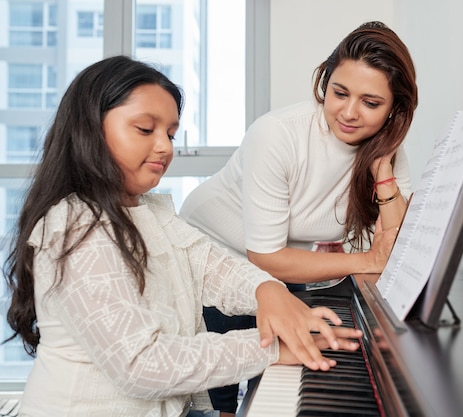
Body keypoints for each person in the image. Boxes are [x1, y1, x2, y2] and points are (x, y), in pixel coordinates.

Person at [1, 55, 362, 417]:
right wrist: (270, 347)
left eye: (171, 133)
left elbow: (212, 268)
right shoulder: (74, 226)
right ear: (89, 130)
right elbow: (142, 365)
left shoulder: (150, 212)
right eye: (145, 130)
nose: (165, 147)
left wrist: (266, 290)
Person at [179, 21, 419, 412]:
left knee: (280, 367)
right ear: (325, 83)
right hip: (215, 257)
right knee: (222, 400)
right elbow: (266, 255)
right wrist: (367, 259)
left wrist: (383, 172)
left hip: (281, 267)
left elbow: (395, 251)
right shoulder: (277, 134)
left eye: (371, 103)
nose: (349, 112)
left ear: (396, 109)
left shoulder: (386, 151)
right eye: (339, 93)